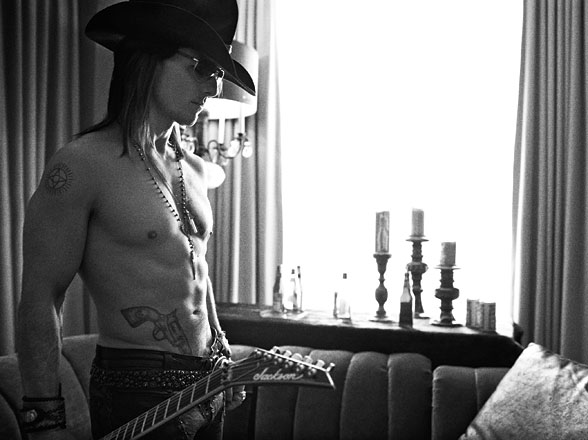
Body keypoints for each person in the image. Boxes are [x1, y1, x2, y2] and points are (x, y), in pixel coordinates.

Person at [16, 0, 256, 439]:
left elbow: (195, 270)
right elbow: (40, 296)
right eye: (203, 68)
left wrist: (223, 353)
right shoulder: (82, 164)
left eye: (220, 73)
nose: (215, 86)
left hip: (211, 383)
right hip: (136, 388)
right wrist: (44, 420)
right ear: (149, 58)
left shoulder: (194, 169)